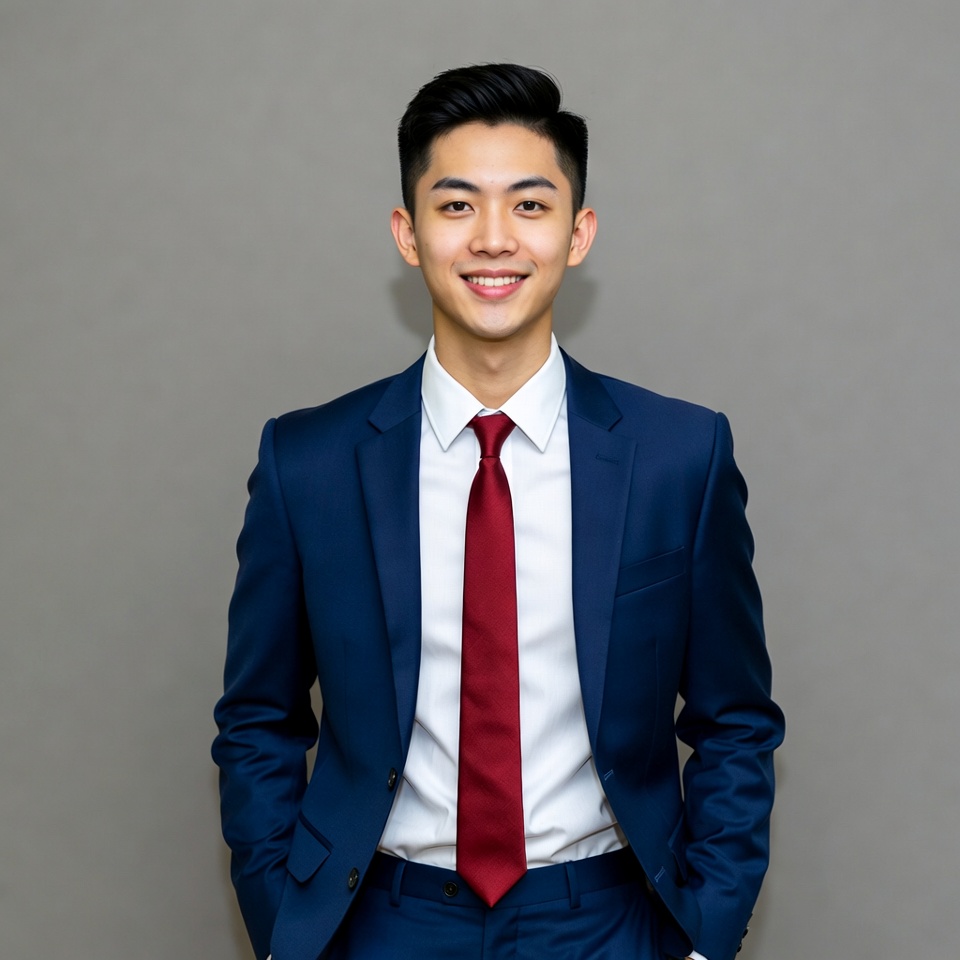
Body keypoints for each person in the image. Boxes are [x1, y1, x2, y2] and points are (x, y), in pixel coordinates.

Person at [212, 63, 784, 960]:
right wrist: (287, 928)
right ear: (407, 234)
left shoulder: (680, 455)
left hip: (608, 919)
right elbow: (258, 715)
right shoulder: (308, 461)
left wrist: (706, 934)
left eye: (529, 205)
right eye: (454, 206)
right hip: (381, 922)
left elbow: (735, 719)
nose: (492, 240)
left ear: (578, 232)